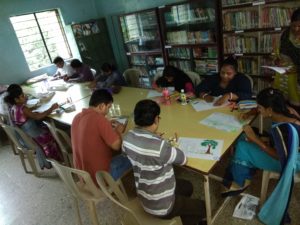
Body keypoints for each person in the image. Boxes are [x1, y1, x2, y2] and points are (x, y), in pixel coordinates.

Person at [122, 99, 206, 225]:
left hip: (144, 197)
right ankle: (185, 215)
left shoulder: (127, 138)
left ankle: (184, 215)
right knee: (202, 207)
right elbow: (183, 159)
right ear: (156, 119)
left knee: (187, 186)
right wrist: (165, 144)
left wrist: (155, 139)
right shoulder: (161, 147)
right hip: (163, 206)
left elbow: (128, 152)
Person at [222, 88, 300, 197]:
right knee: (243, 137)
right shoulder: (286, 110)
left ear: (269, 110)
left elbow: (280, 156)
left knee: (242, 146)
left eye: (260, 108)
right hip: (290, 149)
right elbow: (285, 143)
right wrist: (249, 113)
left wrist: (256, 139)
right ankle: (246, 169)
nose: (258, 110)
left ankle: (240, 183)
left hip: (290, 162)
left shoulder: (283, 129)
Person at [71, 89, 131, 183]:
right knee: (133, 156)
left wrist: (106, 125)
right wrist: (119, 131)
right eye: (109, 107)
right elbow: (117, 146)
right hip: (100, 178)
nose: (108, 111)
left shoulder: (77, 117)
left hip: (83, 174)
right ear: (102, 106)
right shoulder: (99, 120)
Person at [4, 84, 62, 169]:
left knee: (45, 125)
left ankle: (48, 160)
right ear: (16, 99)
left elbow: (24, 115)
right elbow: (37, 117)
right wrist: (51, 108)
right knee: (50, 131)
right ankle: (55, 159)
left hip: (26, 137)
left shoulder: (13, 108)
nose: (25, 97)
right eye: (22, 96)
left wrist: (30, 108)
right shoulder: (23, 109)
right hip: (35, 137)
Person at [280, 8, 300, 84]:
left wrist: (297, 69)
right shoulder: (286, 34)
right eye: (293, 25)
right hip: (291, 76)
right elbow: (284, 54)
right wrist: (280, 62)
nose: (296, 29)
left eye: (299, 26)